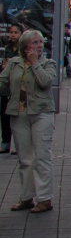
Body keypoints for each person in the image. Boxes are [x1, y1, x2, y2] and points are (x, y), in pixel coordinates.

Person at [1, 29, 58, 213]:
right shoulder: (14, 64)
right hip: (19, 114)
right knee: (25, 159)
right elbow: (3, 82)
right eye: (34, 43)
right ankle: (26, 198)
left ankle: (45, 199)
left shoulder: (48, 63)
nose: (39, 46)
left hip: (42, 113)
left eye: (41, 42)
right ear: (25, 46)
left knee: (42, 156)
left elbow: (45, 82)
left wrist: (34, 64)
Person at [0, 23, 21, 153]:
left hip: (18, 87)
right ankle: (5, 142)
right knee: (4, 115)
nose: (12, 35)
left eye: (15, 32)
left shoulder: (23, 49)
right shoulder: (8, 47)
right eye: (11, 32)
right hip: (7, 87)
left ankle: (17, 143)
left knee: (18, 117)